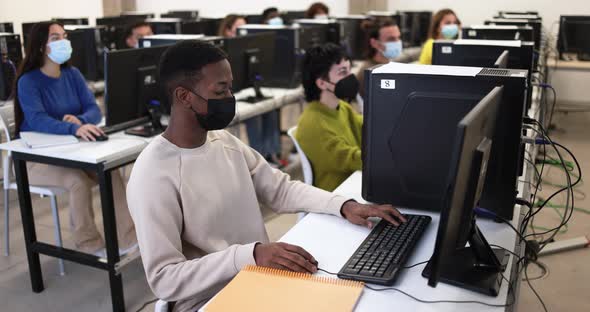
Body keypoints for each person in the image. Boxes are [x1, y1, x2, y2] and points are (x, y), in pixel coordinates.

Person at [126, 40, 406, 312]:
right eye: (220, 90)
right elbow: (165, 279)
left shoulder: (223, 142)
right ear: (184, 96)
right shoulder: (153, 173)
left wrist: (344, 205)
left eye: (230, 88)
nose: (230, 99)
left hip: (258, 277)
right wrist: (251, 255)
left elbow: (280, 190)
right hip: (208, 299)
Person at [14, 21, 137, 256]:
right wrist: (72, 129)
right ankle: (87, 243)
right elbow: (37, 119)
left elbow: (94, 109)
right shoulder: (28, 81)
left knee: (109, 172)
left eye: (64, 35)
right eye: (55, 38)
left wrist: (79, 121)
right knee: (76, 181)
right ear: (41, 46)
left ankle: (128, 237)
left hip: (72, 151)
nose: (63, 41)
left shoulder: (72, 74)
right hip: (36, 160)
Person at [296, 43, 363, 192]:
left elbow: (367, 128)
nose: (350, 77)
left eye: (349, 70)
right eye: (342, 72)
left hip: (355, 184)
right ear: (321, 83)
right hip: (339, 197)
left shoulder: (341, 107)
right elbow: (350, 159)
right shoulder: (313, 124)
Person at [356, 18, 402, 98]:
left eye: (398, 37)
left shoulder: (387, 64)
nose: (397, 42)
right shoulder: (370, 74)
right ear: (374, 43)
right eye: (391, 39)